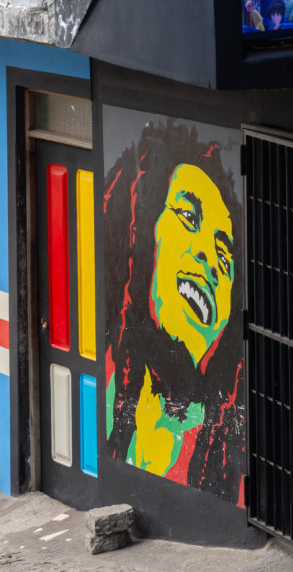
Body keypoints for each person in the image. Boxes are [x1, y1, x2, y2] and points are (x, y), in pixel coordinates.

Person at [104, 119, 244, 503]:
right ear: (147, 235)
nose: (209, 260)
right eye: (187, 216)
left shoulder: (227, 452)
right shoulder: (105, 384)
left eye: (224, 253)